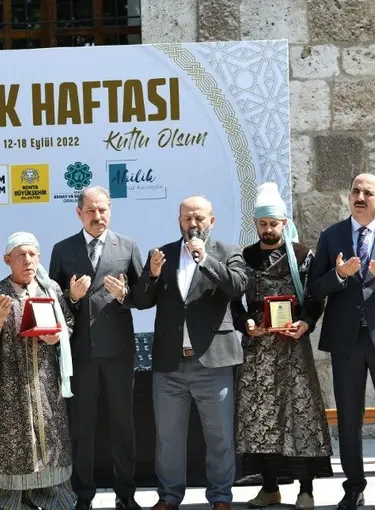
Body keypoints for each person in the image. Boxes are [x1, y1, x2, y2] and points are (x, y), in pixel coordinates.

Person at [307, 173, 375, 510]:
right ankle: (353, 487)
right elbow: (313, 288)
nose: (359, 196)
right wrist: (339, 276)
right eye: (355, 190)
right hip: (346, 341)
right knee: (348, 416)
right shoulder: (332, 235)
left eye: (367, 192)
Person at [131, 195, 248, 510]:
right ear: (179, 221)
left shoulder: (228, 252)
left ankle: (221, 497)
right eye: (186, 219)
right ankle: (169, 497)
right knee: (168, 439)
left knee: (220, 437)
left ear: (212, 220)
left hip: (213, 362)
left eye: (199, 218)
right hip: (170, 365)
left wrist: (205, 259)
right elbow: (141, 301)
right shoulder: (163, 254)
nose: (192, 224)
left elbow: (237, 287)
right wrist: (152, 275)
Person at [231, 183, 332, 510]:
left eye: (274, 223)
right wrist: (246, 323)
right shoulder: (244, 256)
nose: (269, 229)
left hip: (293, 350)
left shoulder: (304, 255)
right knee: (260, 421)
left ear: (284, 223)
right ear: (256, 224)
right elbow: (236, 301)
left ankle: (306, 490)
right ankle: (270, 488)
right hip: (257, 352)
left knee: (299, 417)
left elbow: (316, 298)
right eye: (263, 224)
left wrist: (305, 323)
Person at [48, 186, 144, 510]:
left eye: (102, 210)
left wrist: (126, 295)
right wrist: (71, 297)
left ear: (110, 210)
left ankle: (126, 495)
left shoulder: (128, 246)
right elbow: (51, 303)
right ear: (79, 213)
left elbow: (144, 297)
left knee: (124, 427)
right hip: (80, 354)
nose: (97, 216)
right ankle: (82, 496)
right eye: (91, 211)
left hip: (118, 352)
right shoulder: (62, 250)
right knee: (81, 429)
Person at [0, 232, 77, 509]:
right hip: (10, 387)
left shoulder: (51, 289)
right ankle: (8, 504)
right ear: (7, 259)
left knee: (50, 442)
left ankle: (55, 502)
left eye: (32, 254)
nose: (28, 260)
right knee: (11, 448)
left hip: (45, 384)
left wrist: (57, 336)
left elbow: (67, 324)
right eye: (21, 255)